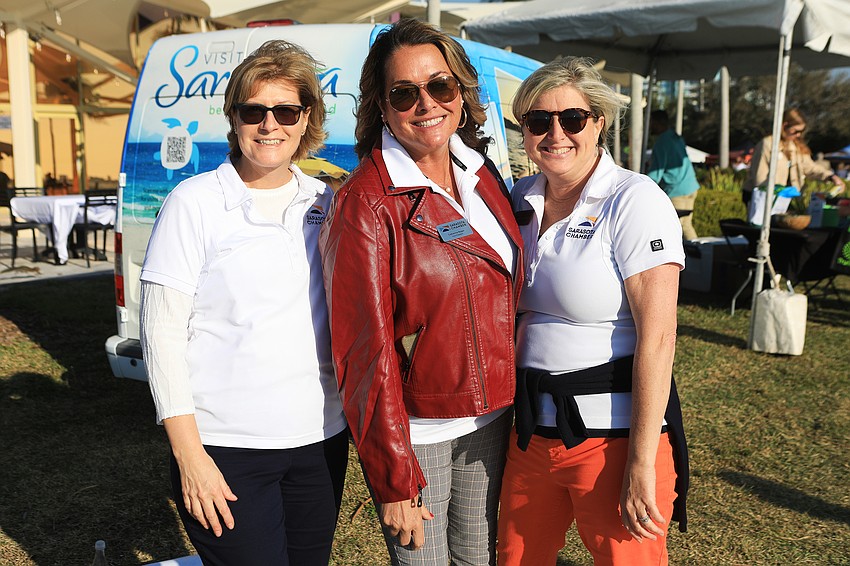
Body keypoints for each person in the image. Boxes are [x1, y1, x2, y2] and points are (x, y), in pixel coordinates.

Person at [319, 18, 523, 566]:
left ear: (461, 90)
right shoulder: (366, 202)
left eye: (440, 85)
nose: (426, 103)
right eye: (404, 93)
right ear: (381, 107)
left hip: (492, 420)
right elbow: (364, 351)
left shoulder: (482, 175)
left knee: (479, 560)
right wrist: (392, 478)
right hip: (417, 433)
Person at [139, 40, 348, 566]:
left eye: (286, 111)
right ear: (233, 118)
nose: (269, 124)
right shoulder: (194, 203)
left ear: (307, 121)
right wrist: (190, 457)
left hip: (319, 441)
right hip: (227, 448)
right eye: (254, 110)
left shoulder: (325, 201)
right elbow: (161, 338)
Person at [496, 57, 689, 566]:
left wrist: (641, 462)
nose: (555, 133)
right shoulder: (518, 199)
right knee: (516, 559)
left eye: (572, 119)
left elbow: (659, 338)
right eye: (538, 121)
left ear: (599, 122)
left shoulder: (633, 199)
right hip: (531, 432)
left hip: (613, 440)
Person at [743, 108, 844, 205]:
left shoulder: (796, 146)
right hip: (764, 199)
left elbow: (810, 167)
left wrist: (831, 176)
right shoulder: (768, 144)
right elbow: (760, 178)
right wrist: (775, 194)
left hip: (787, 200)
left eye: (801, 131)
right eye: (795, 131)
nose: (799, 135)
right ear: (784, 126)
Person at [647, 109, 701, 240]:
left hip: (677, 191)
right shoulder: (675, 136)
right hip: (691, 186)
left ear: (659, 123)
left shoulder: (661, 143)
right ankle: (699, 255)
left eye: (651, 122)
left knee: (678, 228)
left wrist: (641, 186)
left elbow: (655, 174)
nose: (649, 125)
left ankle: (700, 257)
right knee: (686, 225)